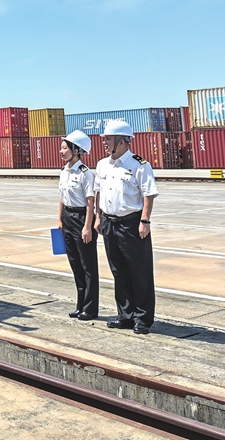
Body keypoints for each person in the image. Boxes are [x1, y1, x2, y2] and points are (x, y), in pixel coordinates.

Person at [94, 119, 158, 334]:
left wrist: (145, 221)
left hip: (132, 223)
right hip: (109, 222)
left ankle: (142, 319)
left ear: (122, 141)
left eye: (108, 139)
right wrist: (98, 217)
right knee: (118, 271)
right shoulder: (103, 164)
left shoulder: (140, 164)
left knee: (140, 272)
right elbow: (99, 192)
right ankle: (125, 315)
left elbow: (148, 194)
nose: (104, 142)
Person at [57, 130, 98, 320]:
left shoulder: (86, 173)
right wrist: (59, 219)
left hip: (82, 219)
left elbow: (91, 202)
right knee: (75, 265)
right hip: (67, 218)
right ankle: (80, 305)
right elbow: (62, 199)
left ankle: (90, 309)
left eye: (65, 148)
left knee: (88, 266)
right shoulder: (64, 171)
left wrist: (87, 227)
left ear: (76, 151)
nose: (61, 151)